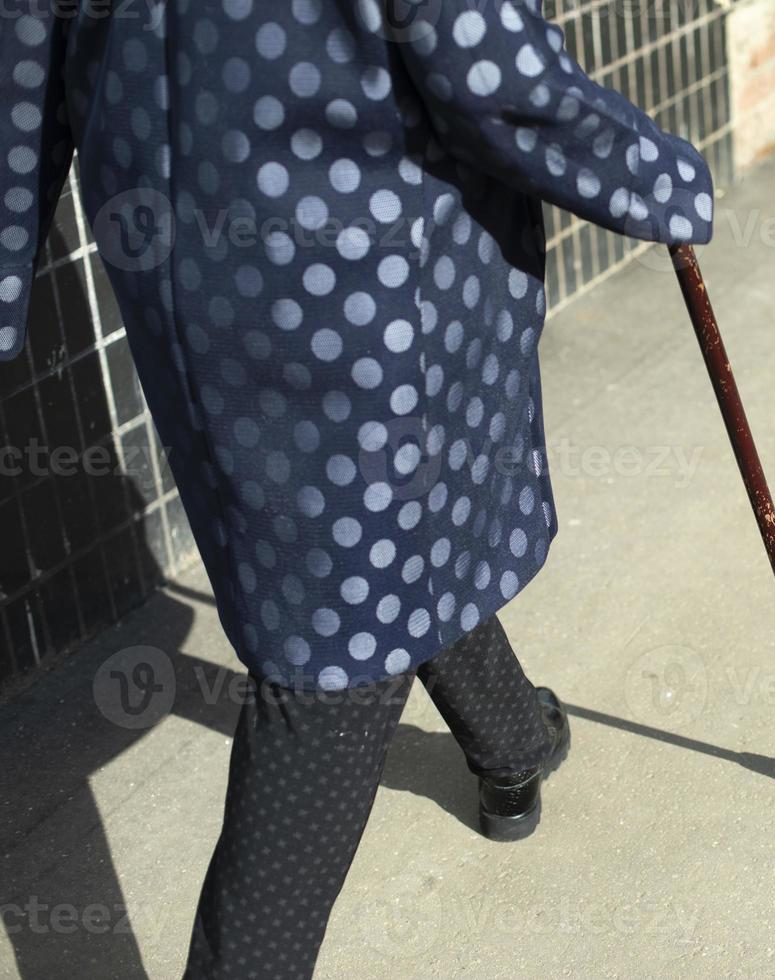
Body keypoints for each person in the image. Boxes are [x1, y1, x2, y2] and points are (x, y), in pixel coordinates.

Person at [0, 0, 714, 976]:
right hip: (369, 290)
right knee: (331, 666)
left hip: (187, 288)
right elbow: (500, 81)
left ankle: (510, 745)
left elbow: (19, 75)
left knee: (362, 553)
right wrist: (658, 177)